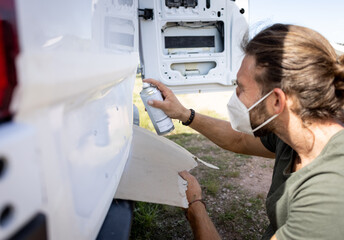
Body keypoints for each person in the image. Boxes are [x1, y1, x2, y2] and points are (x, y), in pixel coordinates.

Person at [143, 23, 344, 240]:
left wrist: (194, 205)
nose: (235, 96)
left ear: (276, 101)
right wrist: (184, 114)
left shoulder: (328, 194)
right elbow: (239, 139)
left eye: (241, 88)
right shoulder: (296, 132)